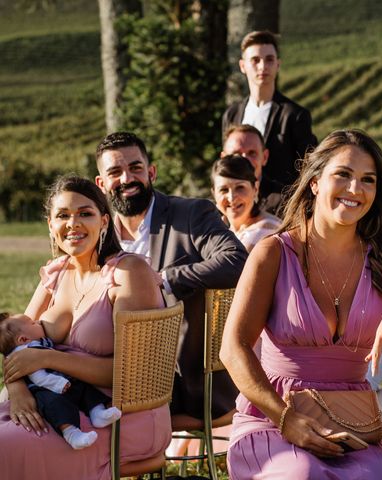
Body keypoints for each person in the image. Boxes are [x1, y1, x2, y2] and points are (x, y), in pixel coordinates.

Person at [219, 129, 382, 479]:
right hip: (273, 419)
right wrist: (286, 419)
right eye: (343, 175)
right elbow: (233, 348)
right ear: (315, 182)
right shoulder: (273, 253)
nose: (355, 190)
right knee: (302, 475)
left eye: (368, 180)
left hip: (352, 424)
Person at [0, 175, 168, 479]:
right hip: (55, 406)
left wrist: (49, 359)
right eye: (63, 215)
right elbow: (13, 344)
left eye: (85, 213)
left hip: (116, 415)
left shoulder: (128, 273)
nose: (73, 223)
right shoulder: (56, 273)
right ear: (51, 225)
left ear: (104, 221)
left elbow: (134, 375)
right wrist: (17, 388)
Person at [94, 131, 248, 424]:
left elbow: (237, 261)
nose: (127, 179)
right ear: (101, 183)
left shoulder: (191, 214)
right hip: (110, 371)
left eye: (135, 168)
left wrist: (164, 279)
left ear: (151, 172)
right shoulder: (98, 234)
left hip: (181, 384)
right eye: (115, 172)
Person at [0, 312, 121, 450]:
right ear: (22, 339)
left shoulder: (33, 341)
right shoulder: (26, 349)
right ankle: (71, 434)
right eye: (32, 323)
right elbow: (37, 376)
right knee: (56, 405)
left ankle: (97, 412)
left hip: (69, 378)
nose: (38, 322)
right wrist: (18, 390)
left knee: (85, 390)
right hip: (47, 389)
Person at [222, 31, 318, 196]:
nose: (263, 66)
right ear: (242, 66)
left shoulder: (295, 115)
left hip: (281, 207)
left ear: (278, 65)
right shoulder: (232, 114)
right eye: (255, 60)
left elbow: (310, 169)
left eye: (269, 59)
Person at [211, 154, 281, 253]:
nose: (231, 197)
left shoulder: (264, 231)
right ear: (214, 194)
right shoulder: (223, 229)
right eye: (224, 190)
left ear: (255, 188)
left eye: (240, 187)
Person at [222, 124, 284, 214]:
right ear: (223, 159)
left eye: (252, 153)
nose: (245, 159)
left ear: (265, 157)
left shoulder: (286, 202)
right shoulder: (212, 209)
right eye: (236, 154)